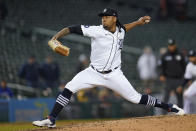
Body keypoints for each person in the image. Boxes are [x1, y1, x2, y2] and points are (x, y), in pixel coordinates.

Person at [32, 8, 184, 128]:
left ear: (114, 18)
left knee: (136, 98)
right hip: (93, 73)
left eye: (107, 16)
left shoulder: (120, 31)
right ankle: (51, 119)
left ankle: (169, 107)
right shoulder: (96, 30)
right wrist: (55, 38)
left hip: (114, 75)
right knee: (69, 87)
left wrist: (138, 22)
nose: (103, 18)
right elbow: (71, 28)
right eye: (102, 16)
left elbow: (125, 28)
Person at [159, 39, 186, 108]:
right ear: (168, 46)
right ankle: (163, 113)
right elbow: (161, 67)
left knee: (179, 97)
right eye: (170, 46)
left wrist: (184, 79)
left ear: (175, 45)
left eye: (172, 45)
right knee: (166, 97)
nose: (171, 47)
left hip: (178, 79)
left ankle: (181, 112)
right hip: (168, 79)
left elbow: (184, 67)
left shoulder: (180, 55)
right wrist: (161, 75)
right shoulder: (165, 55)